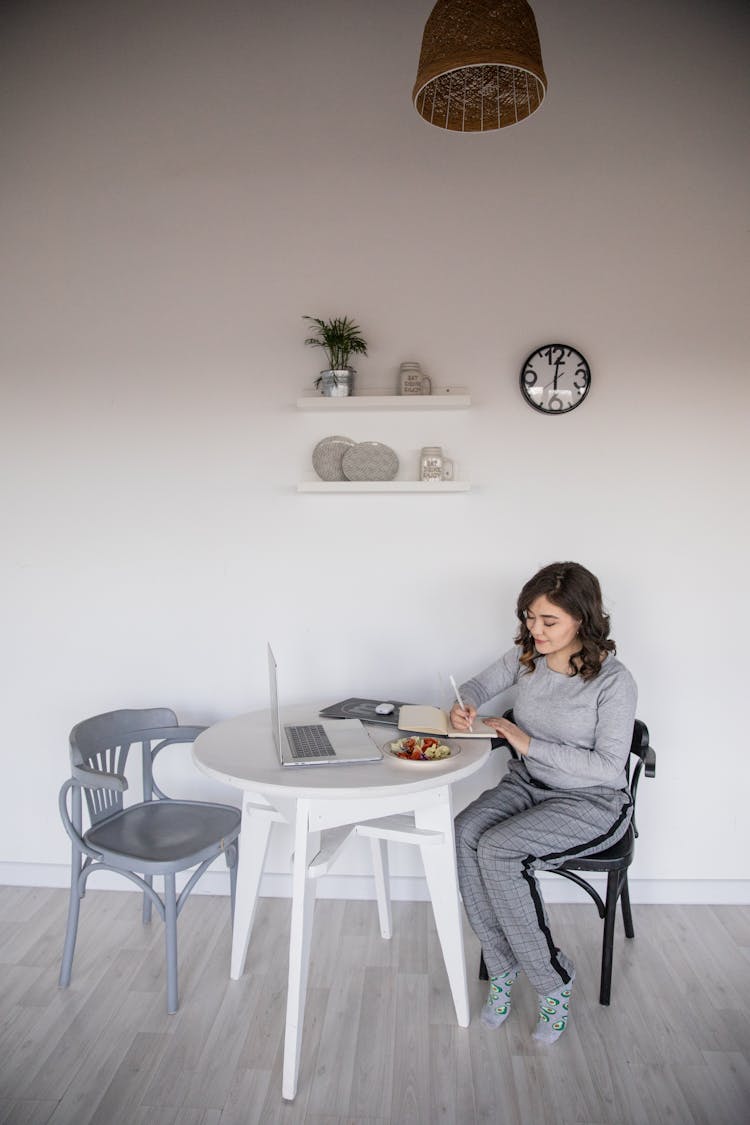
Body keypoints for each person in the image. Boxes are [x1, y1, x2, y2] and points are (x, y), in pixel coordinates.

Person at [451, 561, 637, 1043]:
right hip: (528, 784)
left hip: (591, 800)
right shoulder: (526, 657)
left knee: (497, 849)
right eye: (529, 617)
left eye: (548, 620)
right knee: (465, 831)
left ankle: (553, 981)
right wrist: (464, 703)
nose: (535, 629)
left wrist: (528, 743)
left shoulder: (615, 682)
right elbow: (475, 686)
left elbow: (608, 767)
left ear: (582, 619)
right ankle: (502, 964)